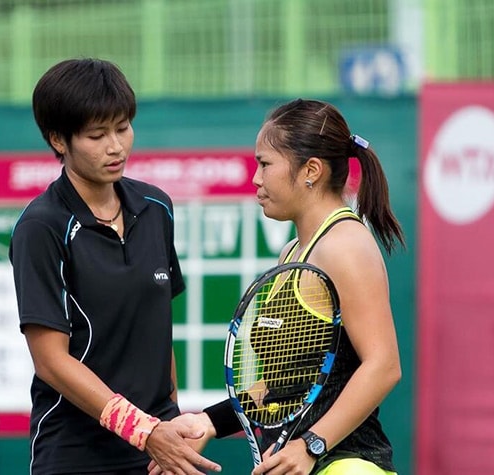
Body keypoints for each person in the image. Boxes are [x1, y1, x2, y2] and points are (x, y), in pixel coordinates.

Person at [150, 98, 405, 475]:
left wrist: (311, 445)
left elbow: (383, 366)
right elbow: (285, 385)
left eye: (265, 164)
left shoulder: (345, 246)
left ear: (311, 171)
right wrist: (208, 421)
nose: (256, 178)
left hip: (350, 466)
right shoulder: (292, 252)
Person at [9, 58, 221, 475]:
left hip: (159, 448)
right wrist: (142, 430)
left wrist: (169, 421)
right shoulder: (41, 227)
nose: (116, 146)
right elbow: (51, 360)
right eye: (96, 134)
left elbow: (158, 326)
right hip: (76, 453)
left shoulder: (157, 207)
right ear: (58, 140)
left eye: (122, 128)